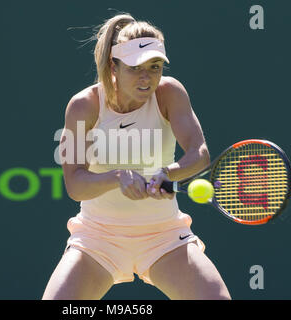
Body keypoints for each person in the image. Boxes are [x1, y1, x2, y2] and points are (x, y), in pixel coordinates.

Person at [42, 13, 231, 300]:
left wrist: (168, 173)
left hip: (164, 236)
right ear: (113, 66)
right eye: (135, 68)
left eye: (154, 67)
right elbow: (75, 185)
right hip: (97, 239)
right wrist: (117, 177)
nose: (147, 78)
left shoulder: (170, 92)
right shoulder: (82, 106)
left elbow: (199, 153)